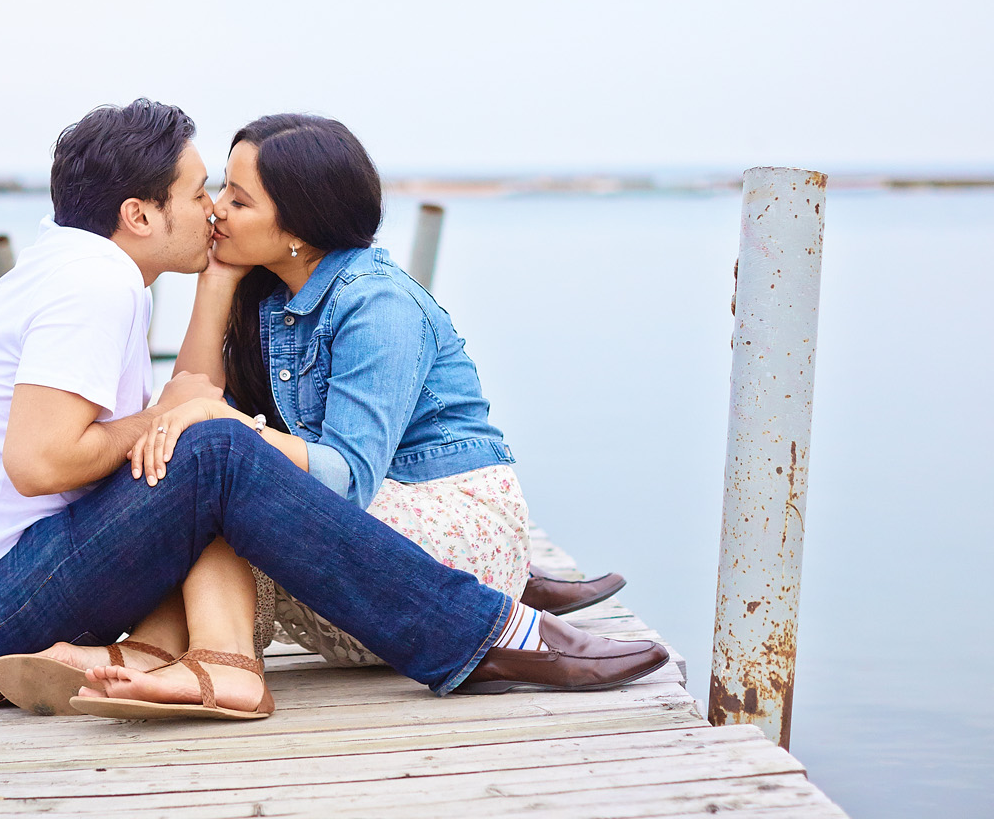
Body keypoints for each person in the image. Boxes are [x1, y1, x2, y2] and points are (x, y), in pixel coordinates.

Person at [0, 99, 669, 721]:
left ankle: (187, 663)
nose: (214, 210)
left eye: (229, 193)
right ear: (139, 215)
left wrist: (196, 412)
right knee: (214, 453)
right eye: (202, 192)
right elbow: (45, 462)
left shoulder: (89, 272)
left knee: (214, 453)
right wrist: (188, 417)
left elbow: (194, 424)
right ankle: (485, 636)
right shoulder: (94, 282)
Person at [120, 113, 620, 669]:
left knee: (214, 482)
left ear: (299, 228)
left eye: (238, 201)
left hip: (449, 543)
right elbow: (189, 401)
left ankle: (182, 659)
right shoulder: (268, 300)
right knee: (192, 485)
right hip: (359, 560)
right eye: (220, 191)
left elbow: (347, 479)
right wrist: (214, 284)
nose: (215, 208)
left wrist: (230, 429)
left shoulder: (376, 304)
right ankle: (156, 655)